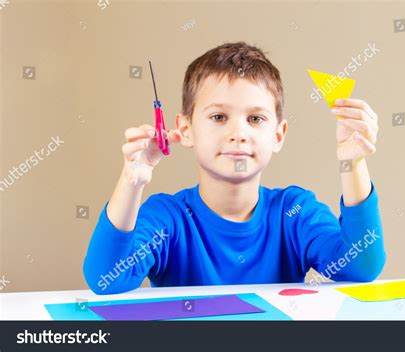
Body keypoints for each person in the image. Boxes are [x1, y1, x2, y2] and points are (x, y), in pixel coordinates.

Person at [83, 42, 385, 294]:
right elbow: (105, 279)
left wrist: (352, 161)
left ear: (278, 135)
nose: (238, 133)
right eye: (218, 117)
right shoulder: (168, 219)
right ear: (185, 129)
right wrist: (132, 180)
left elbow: (360, 266)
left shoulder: (295, 212)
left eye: (255, 119)